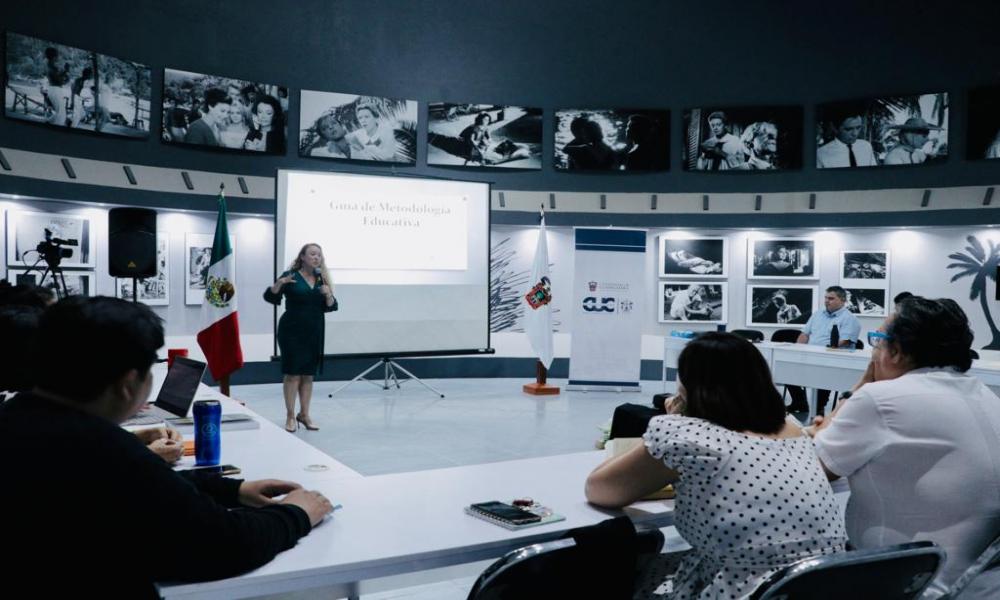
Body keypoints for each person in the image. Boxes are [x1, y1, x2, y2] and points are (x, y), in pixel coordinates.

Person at [0, 296, 333, 597]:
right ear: (129, 385)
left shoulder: (18, 417)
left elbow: (139, 486)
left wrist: (234, 490)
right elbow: (224, 544)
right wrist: (296, 512)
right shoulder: (107, 453)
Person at [586, 332, 846, 599]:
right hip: (815, 583)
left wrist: (674, 419)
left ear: (690, 385)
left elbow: (600, 490)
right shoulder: (791, 427)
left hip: (740, 588)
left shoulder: (684, 435)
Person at [811, 297, 1000, 598]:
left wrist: (857, 390)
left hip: (907, 584)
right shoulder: (985, 394)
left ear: (895, 351)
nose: (873, 352)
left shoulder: (880, 398)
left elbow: (809, 469)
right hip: (977, 581)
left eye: (876, 341)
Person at [264, 244, 338, 432]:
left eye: (319, 255)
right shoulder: (290, 275)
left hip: (314, 331)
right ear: (303, 257)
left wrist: (328, 295)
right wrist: (280, 283)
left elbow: (331, 306)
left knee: (308, 375)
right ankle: (290, 415)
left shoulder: (322, 278)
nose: (317, 258)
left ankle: (304, 414)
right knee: (293, 373)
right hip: (291, 331)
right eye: (313, 254)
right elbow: (271, 297)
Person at [787, 286, 862, 414]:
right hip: (811, 356)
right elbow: (805, 334)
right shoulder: (817, 315)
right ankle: (799, 402)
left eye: (831, 298)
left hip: (834, 360)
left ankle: (819, 408)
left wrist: (824, 351)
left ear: (842, 300)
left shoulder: (850, 319)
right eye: (826, 298)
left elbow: (844, 341)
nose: (827, 301)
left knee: (823, 373)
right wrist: (797, 350)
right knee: (787, 369)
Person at [43, 46, 71, 126]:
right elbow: (59, 82)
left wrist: (65, 72)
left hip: (53, 90)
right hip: (55, 90)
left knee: (60, 113)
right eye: (57, 55)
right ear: (54, 56)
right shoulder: (52, 67)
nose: (58, 57)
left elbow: (57, 78)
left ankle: (47, 122)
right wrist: (66, 72)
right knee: (62, 115)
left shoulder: (49, 66)